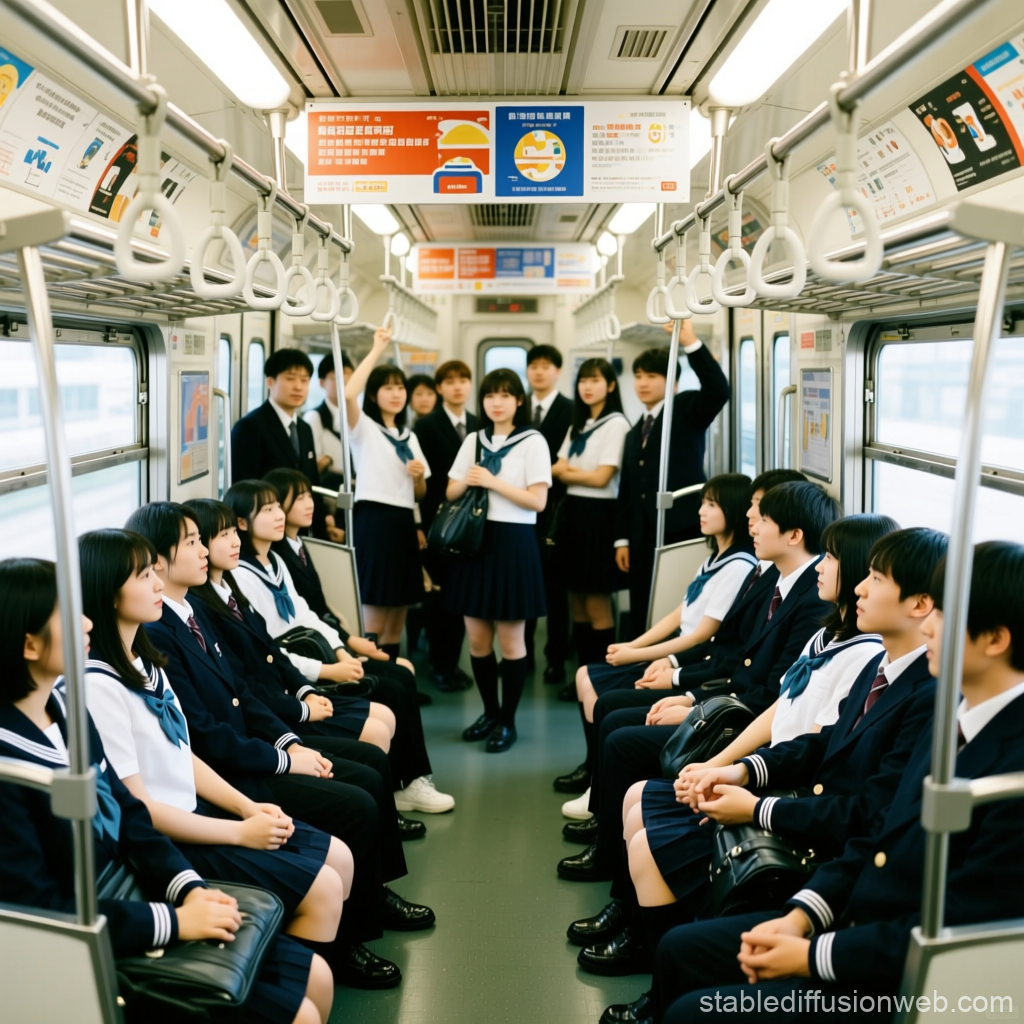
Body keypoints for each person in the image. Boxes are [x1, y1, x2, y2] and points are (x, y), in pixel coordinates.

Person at [609, 540, 1024, 1024]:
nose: (929, 626)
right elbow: (877, 833)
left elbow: (948, 931)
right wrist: (803, 915)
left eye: (945, 615)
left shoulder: (1003, 772)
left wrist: (812, 954)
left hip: (896, 981)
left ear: (995, 639)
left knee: (691, 1009)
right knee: (681, 950)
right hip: (852, 910)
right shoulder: (952, 719)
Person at [582, 518, 923, 978]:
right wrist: (733, 768)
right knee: (636, 789)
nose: (855, 583)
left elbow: (833, 777)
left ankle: (647, 944)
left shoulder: (873, 661)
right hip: (780, 781)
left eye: (839, 561)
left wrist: (753, 800)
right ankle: (632, 919)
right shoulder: (854, 652)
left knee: (634, 781)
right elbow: (801, 726)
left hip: (799, 808)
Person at [0, 557, 333, 1024]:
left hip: (140, 885)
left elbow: (129, 814)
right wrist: (173, 921)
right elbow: (44, 911)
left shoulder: (65, 708)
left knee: (318, 978)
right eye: (68, 615)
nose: (86, 623)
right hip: (96, 936)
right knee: (302, 1010)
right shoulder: (12, 772)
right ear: (30, 644)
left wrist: (188, 889)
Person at [125, 501, 433, 990]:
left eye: (205, 539)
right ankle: (354, 931)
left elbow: (241, 690)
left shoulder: (190, 613)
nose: (204, 550)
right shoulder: (157, 635)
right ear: (159, 562)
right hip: (234, 770)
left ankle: (373, 897)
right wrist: (284, 759)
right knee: (356, 799)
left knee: (369, 769)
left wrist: (290, 740)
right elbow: (204, 735)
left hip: (250, 750)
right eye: (194, 542)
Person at [78, 528, 352, 957]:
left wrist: (246, 807)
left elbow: (182, 755)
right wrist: (240, 831)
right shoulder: (99, 686)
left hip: (199, 810)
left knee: (341, 857)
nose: (157, 584)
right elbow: (142, 808)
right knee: (325, 885)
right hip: (174, 837)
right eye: (144, 576)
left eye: (154, 572)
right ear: (108, 593)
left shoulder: (145, 661)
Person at [557, 482, 840, 886]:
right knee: (616, 722)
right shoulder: (780, 582)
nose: (752, 523)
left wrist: (694, 704)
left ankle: (610, 856)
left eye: (763, 518)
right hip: (732, 700)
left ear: (794, 535)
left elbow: (771, 693)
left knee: (620, 738)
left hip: (743, 719)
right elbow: (739, 663)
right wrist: (691, 697)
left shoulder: (810, 601)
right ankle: (607, 834)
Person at [221, 482, 454, 815]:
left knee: (401, 677)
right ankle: (404, 784)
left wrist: (341, 650)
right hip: (301, 670)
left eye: (278, 506)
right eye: (267, 510)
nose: (278, 515)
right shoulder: (242, 577)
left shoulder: (275, 561)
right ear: (243, 522)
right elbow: (272, 649)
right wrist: (330, 670)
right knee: (394, 686)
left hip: (316, 654)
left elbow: (306, 614)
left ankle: (411, 780)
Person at [556, 474, 757, 818]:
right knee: (585, 676)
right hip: (679, 654)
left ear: (734, 510)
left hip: (692, 660)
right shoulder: (714, 559)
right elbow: (680, 614)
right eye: (703, 503)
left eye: (711, 504)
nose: (701, 511)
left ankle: (597, 785)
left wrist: (642, 655)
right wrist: (632, 645)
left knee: (601, 695)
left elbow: (699, 636)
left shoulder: (739, 566)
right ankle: (594, 769)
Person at [445, 367, 552, 752]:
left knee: (511, 640)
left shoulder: (533, 441)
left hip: (514, 543)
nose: (497, 402)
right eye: (490, 395)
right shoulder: (474, 440)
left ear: (519, 401)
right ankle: (490, 712)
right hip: (476, 542)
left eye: (505, 395)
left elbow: (538, 501)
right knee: (477, 639)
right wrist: (469, 480)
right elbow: (451, 490)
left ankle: (508, 720)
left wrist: (492, 482)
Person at [614, 322, 731, 634]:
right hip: (641, 535)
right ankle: (640, 656)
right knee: (642, 603)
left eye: (652, 376)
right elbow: (628, 489)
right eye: (638, 376)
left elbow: (718, 390)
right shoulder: (635, 431)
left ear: (673, 383)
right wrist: (622, 538)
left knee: (675, 603)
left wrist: (690, 342)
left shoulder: (685, 409)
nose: (643, 383)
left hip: (680, 527)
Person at [344, 327, 431, 659]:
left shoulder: (409, 436)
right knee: (375, 614)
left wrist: (418, 478)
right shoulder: (364, 429)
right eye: (388, 388)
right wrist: (377, 348)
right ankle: (372, 676)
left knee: (397, 615)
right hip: (375, 521)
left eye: (400, 388)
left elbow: (419, 493)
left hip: (403, 523)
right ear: (374, 394)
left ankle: (393, 674)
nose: (396, 394)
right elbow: (349, 394)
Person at [551, 358, 632, 693]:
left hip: (600, 517)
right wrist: (576, 473)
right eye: (583, 380)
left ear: (610, 386)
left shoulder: (616, 424)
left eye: (595, 380)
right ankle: (582, 676)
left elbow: (602, 479)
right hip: (574, 515)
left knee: (597, 602)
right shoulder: (580, 423)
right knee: (577, 601)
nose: (587, 386)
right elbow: (556, 469)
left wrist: (571, 473)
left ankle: (601, 679)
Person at [413, 359, 478, 693]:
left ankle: (452, 664)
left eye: (463, 380)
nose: (457, 387)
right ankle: (440, 667)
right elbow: (419, 483)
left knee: (463, 596)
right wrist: (418, 525)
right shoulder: (425, 427)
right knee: (439, 599)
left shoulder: (479, 424)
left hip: (470, 525)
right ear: (440, 388)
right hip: (436, 524)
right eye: (450, 381)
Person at [231, 348, 337, 541]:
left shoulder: (304, 428)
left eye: (304, 380)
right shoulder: (250, 427)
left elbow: (311, 483)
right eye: (290, 378)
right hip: (265, 533)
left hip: (299, 533)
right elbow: (243, 490)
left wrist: (322, 525)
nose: (298, 387)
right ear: (270, 381)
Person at [524, 344, 574, 683]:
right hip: (521, 508)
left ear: (557, 371)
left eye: (546, 366)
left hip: (558, 511)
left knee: (557, 590)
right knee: (524, 586)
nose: (539, 372)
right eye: (534, 366)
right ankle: (523, 655)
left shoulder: (572, 410)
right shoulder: (517, 407)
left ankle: (556, 657)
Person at [303, 351, 353, 493]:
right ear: (322, 382)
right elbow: (313, 464)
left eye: (349, 375)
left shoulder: (358, 416)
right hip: (331, 488)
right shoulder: (314, 417)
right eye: (336, 377)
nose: (344, 381)